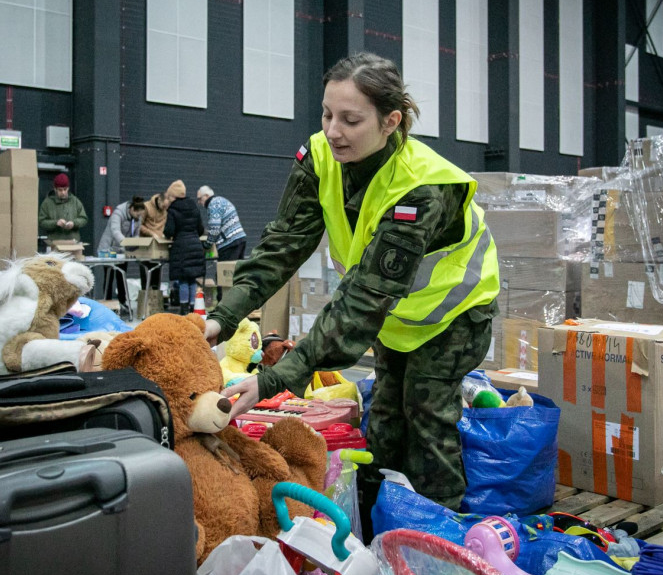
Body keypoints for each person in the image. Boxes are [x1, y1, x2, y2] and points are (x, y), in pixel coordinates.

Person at [205, 53, 500, 536]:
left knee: (426, 420)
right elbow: (281, 247)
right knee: (385, 419)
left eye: (351, 119)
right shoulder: (321, 157)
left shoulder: (423, 188)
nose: (333, 130)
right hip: (399, 319)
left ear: (391, 121)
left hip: (454, 315)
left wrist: (272, 381)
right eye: (326, 114)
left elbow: (363, 298)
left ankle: (440, 539)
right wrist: (218, 319)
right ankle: (379, 528)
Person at [96, 196, 147, 310]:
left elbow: (136, 234)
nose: (139, 217)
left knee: (122, 275)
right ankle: (107, 302)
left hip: (122, 251)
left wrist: (135, 245)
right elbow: (115, 231)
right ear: (132, 210)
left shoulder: (137, 218)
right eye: (138, 214)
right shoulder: (118, 213)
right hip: (109, 248)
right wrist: (126, 242)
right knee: (109, 276)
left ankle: (122, 301)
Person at [163, 180, 206, 315]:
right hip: (195, 246)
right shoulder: (194, 206)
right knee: (192, 279)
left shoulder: (173, 209)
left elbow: (169, 231)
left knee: (182, 280)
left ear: (173, 196)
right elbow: (200, 229)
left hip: (181, 248)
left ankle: (184, 310)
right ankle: (194, 308)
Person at [197, 186, 247, 261]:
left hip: (229, 243)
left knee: (223, 270)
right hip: (240, 239)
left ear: (206, 195)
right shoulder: (222, 200)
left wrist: (207, 245)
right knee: (237, 271)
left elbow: (215, 230)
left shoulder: (213, 205)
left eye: (200, 199)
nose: (199, 202)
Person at [38, 173, 89, 243]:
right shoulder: (47, 203)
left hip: (73, 242)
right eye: (60, 190)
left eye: (65, 189)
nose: (63, 192)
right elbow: (41, 222)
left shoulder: (75, 201)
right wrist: (56, 223)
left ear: (68, 188)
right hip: (54, 242)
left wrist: (74, 223)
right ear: (55, 189)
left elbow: (84, 219)